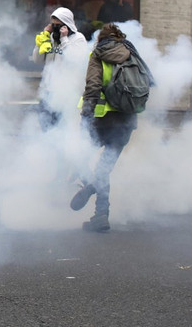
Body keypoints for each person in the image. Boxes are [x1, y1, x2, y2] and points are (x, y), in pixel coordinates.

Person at [70, 23, 146, 233]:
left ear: (100, 40)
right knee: (104, 167)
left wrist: (85, 117)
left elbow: (92, 87)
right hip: (127, 121)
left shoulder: (98, 55)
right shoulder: (132, 53)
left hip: (101, 120)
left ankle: (89, 187)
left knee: (79, 155)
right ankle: (100, 215)